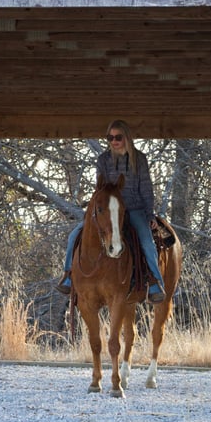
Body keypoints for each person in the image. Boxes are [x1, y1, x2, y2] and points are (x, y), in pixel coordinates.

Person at [56, 119, 166, 304]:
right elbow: (101, 188)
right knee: (74, 235)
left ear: (126, 138)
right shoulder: (103, 160)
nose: (113, 141)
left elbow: (146, 189)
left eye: (118, 137)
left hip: (134, 207)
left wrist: (149, 215)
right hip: (109, 209)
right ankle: (68, 276)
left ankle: (155, 283)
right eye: (110, 137)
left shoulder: (139, 159)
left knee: (146, 241)